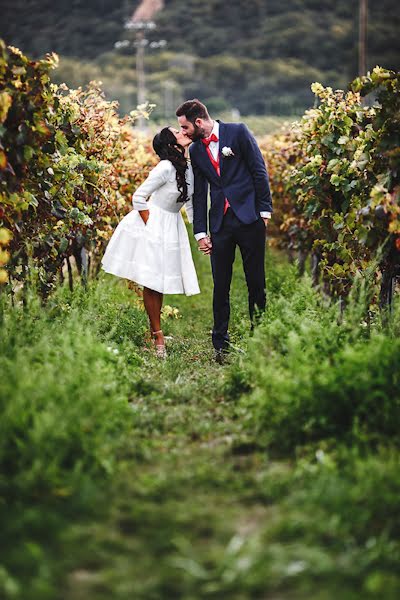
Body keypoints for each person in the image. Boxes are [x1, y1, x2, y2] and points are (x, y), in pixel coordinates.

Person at [176, 99, 272, 363]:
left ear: (198, 122)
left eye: (184, 127)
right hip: (220, 223)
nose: (183, 132)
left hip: (250, 218)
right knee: (221, 285)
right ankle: (220, 344)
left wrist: (264, 212)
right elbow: (199, 194)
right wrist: (200, 232)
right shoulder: (196, 150)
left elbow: (258, 171)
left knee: (256, 282)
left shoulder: (238, 132)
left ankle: (260, 336)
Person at [101, 127, 200, 358]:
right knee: (152, 281)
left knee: (160, 280)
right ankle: (158, 337)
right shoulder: (164, 167)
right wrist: (151, 226)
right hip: (154, 223)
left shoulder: (187, 168)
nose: (183, 131)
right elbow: (138, 197)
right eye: (177, 131)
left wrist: (199, 232)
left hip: (172, 223)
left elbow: (190, 204)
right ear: (170, 143)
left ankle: (155, 331)